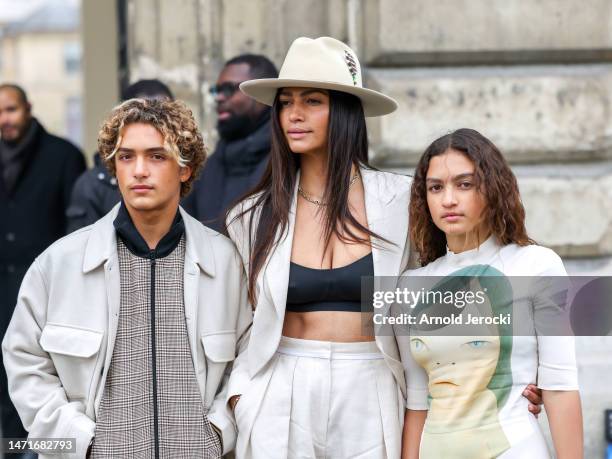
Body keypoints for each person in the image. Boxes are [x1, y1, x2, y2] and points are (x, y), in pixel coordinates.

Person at [2, 98, 251, 458]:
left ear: (185, 167)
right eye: (126, 157)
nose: (139, 171)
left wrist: (216, 433)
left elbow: (250, 360)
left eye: (156, 156)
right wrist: (83, 444)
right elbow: (25, 365)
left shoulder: (226, 261)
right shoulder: (59, 264)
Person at [224, 36, 411, 459]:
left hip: (373, 383)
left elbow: (450, 289)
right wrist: (243, 398)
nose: (294, 114)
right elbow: (238, 324)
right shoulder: (251, 217)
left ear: (344, 110)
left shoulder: (402, 202)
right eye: (286, 102)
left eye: (312, 101)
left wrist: (518, 368)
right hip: (280, 387)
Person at [398, 129, 583, 458]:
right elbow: (416, 402)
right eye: (435, 187)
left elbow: (560, 387)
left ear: (493, 187)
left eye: (464, 184)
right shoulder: (410, 285)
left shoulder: (537, 265)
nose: (448, 199)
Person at [0, 83, 85, 450]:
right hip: (0, 291)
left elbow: (77, 229)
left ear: (29, 108)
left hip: (48, 293)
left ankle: (45, 453)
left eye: (11, 110)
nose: (4, 120)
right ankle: (12, 451)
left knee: (50, 382)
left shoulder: (63, 156)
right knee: (7, 387)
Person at [183, 54, 278, 232]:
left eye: (228, 89)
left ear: (263, 95)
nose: (218, 98)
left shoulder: (287, 162)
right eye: (216, 90)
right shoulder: (206, 168)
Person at [66, 79, 174, 232]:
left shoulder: (190, 176)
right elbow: (79, 249)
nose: (154, 123)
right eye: (141, 116)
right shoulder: (91, 185)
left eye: (165, 116)